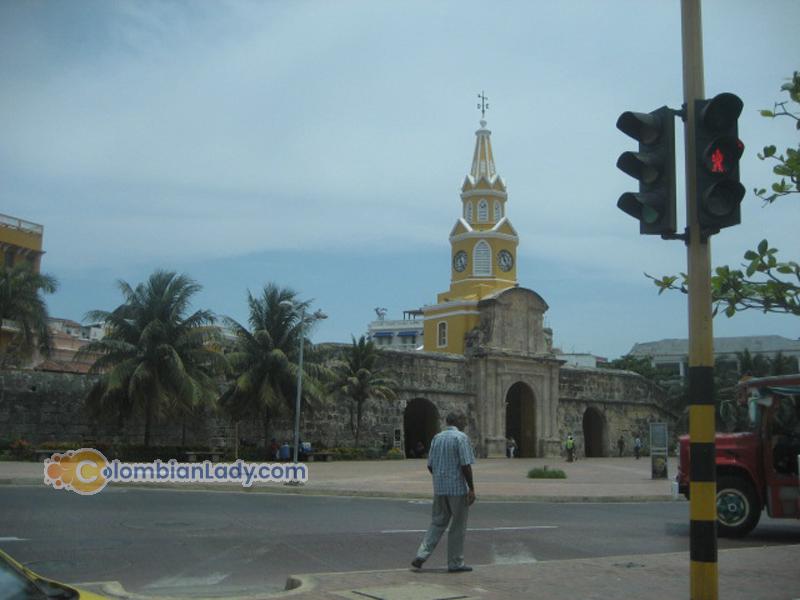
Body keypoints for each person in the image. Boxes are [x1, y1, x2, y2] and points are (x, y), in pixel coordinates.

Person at [411, 412, 476, 573]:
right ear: (459, 422)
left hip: (440, 488)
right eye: (464, 421)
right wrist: (472, 488)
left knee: (437, 522)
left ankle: (421, 554)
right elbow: (465, 465)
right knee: (458, 526)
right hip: (457, 489)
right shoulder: (460, 438)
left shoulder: (437, 438)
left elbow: (430, 465)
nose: (465, 424)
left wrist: (440, 478)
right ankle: (455, 562)